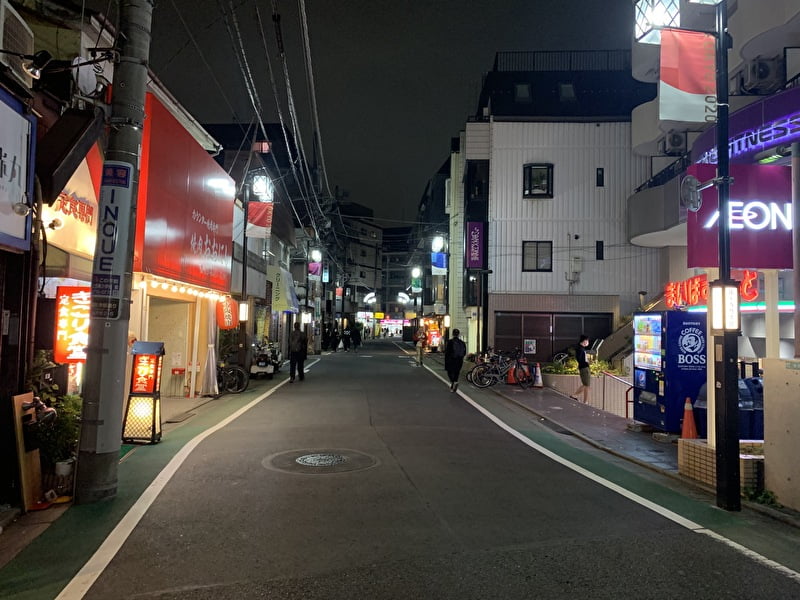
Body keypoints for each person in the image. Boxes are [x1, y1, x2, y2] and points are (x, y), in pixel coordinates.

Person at [571, 334, 591, 403]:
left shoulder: (580, 348)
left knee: (585, 384)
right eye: (587, 341)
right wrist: (587, 363)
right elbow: (580, 359)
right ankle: (585, 401)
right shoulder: (580, 349)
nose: (588, 343)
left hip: (583, 368)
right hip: (584, 368)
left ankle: (575, 395)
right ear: (585, 341)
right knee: (587, 385)